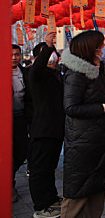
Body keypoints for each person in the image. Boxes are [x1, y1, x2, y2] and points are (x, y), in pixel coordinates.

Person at [60, 30, 105, 217]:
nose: (104, 49)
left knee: (96, 192)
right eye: (101, 45)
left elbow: (96, 99)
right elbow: (71, 107)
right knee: (78, 194)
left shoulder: (99, 71)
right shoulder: (76, 74)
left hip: (98, 139)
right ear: (91, 48)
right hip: (83, 142)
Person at [28, 33, 65, 218]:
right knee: (39, 170)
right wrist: (48, 47)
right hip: (42, 129)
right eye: (47, 54)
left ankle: (51, 199)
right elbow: (37, 69)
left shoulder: (56, 74)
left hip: (56, 129)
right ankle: (41, 206)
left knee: (49, 168)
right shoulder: (36, 75)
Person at [12, 44, 32, 203]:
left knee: (21, 150)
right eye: (10, 54)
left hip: (21, 117)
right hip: (6, 118)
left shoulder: (25, 73)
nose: (14, 57)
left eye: (17, 54)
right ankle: (9, 184)